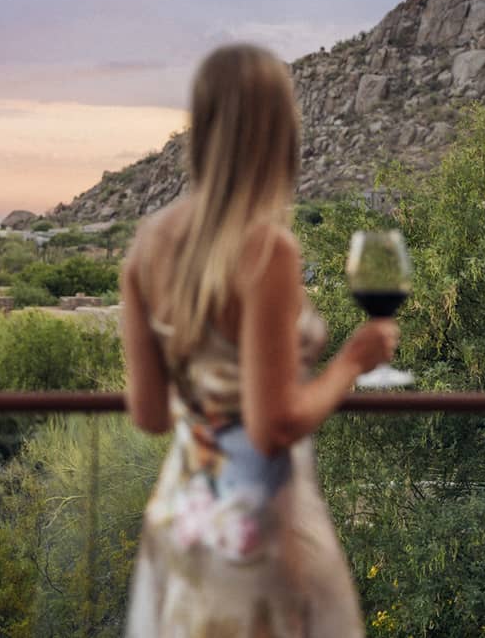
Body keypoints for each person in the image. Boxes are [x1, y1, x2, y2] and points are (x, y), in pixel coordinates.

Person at [121, 43, 400, 637]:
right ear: (280, 130)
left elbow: (147, 414)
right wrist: (353, 359)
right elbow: (272, 425)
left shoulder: (148, 243)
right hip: (258, 525)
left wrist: (213, 399)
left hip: (183, 518)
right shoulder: (268, 251)